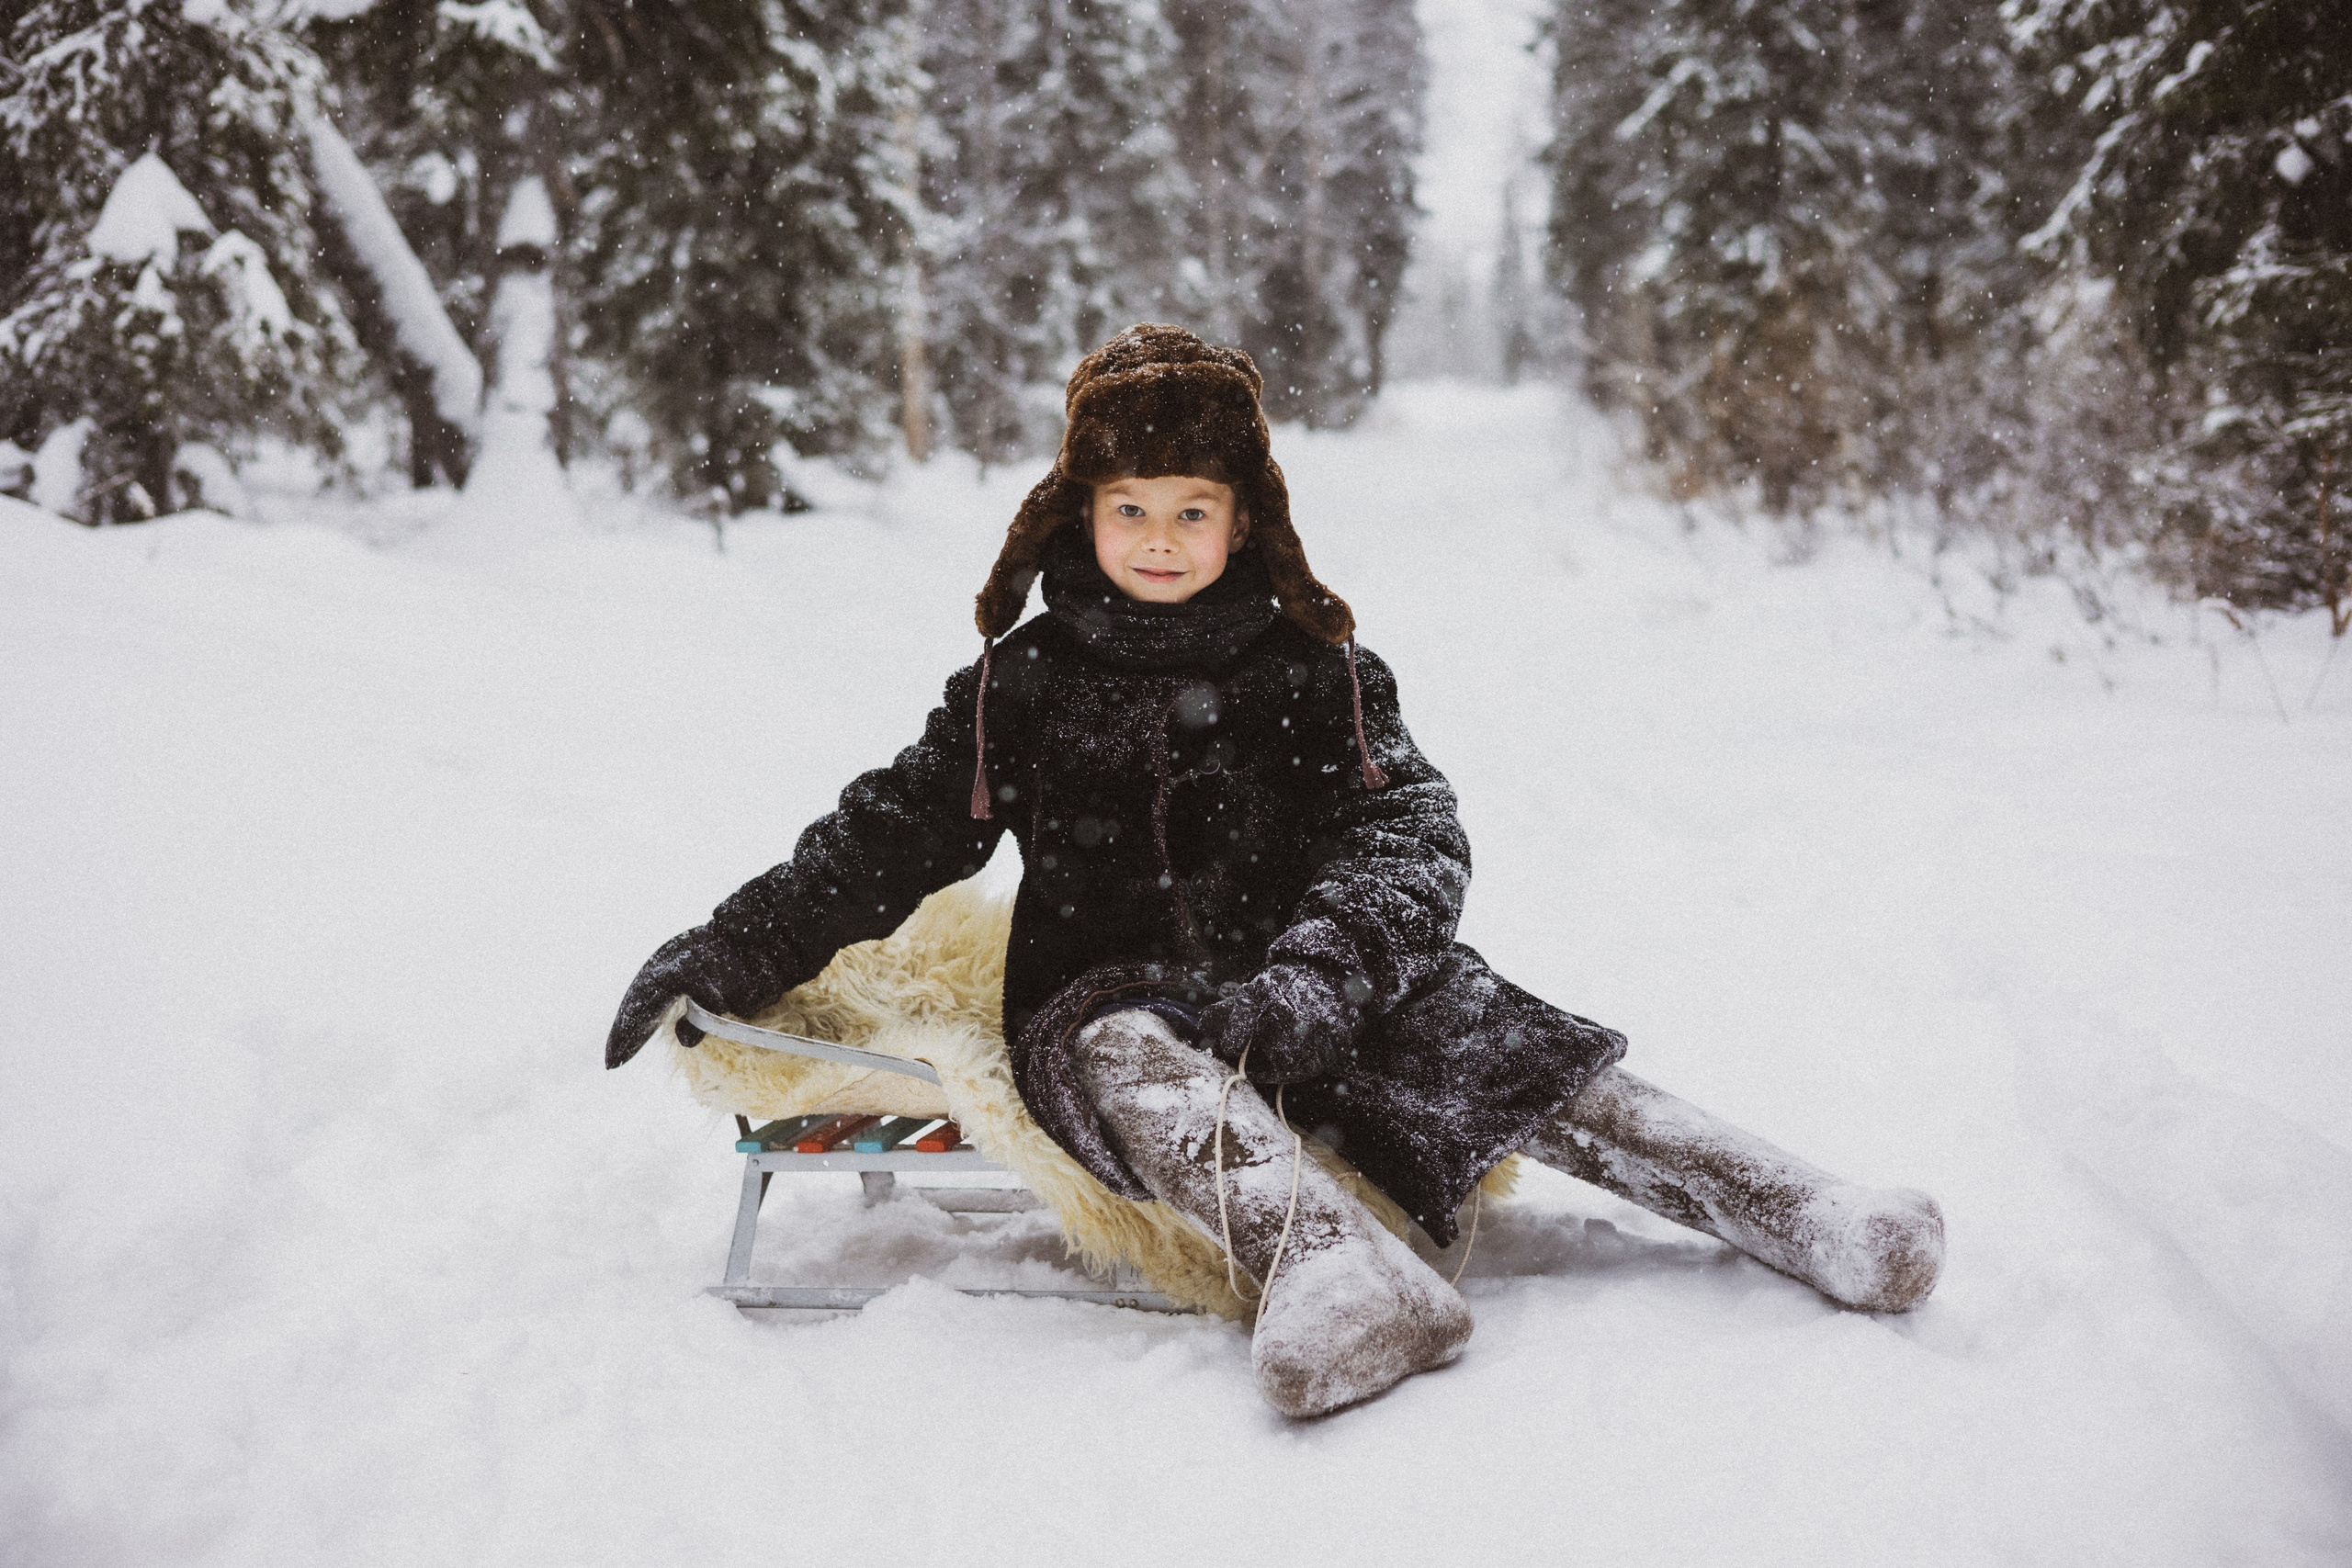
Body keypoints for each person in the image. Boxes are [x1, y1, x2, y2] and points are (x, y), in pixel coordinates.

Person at [606, 323, 1944, 1417]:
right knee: (1133, 1056)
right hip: (1107, 993)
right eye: (1131, 508)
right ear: (1082, 512)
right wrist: (731, 947)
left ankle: (1800, 1207)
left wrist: (1329, 967)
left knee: (1487, 1034)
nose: (1162, 537)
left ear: (1246, 521)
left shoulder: (1315, 671)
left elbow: (1409, 834)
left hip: (1306, 963)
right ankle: (1336, 1273)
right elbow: (884, 835)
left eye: (1194, 509)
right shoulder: (1015, 689)